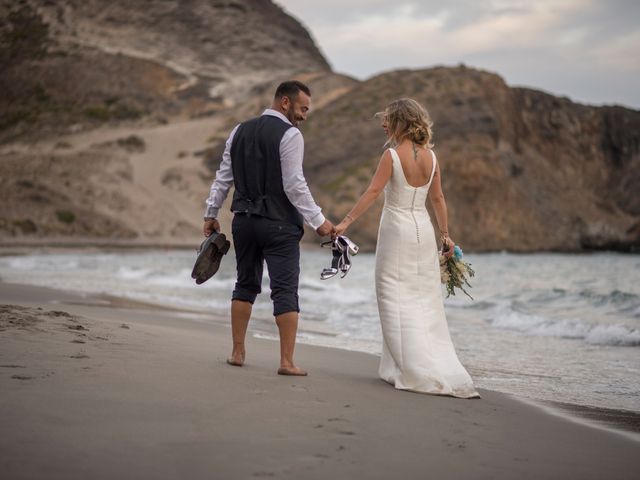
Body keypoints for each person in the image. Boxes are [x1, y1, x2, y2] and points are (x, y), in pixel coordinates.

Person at [334, 98, 479, 398]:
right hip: (423, 231)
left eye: (388, 119)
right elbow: (438, 199)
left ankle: (411, 368)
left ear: (400, 121)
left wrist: (346, 221)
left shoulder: (391, 156)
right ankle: (410, 365)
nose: (383, 125)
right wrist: (446, 235)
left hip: (396, 231)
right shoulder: (432, 158)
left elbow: (374, 191)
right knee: (425, 299)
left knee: (392, 295)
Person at [203, 80, 334, 376]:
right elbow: (294, 185)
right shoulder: (290, 135)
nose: (304, 115)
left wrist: (210, 213)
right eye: (302, 108)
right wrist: (319, 221)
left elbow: (223, 178)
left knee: (245, 284)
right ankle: (286, 362)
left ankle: (237, 352)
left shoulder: (239, 130)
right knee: (285, 289)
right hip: (279, 226)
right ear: (285, 103)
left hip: (244, 222)